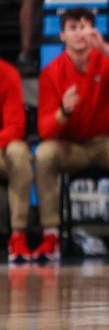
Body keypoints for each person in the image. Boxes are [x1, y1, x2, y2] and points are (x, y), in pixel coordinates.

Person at [34, 8, 109, 261]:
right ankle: (50, 236)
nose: (79, 34)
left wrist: (103, 47)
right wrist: (64, 111)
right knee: (44, 154)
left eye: (84, 27)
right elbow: (44, 130)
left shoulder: (105, 57)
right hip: (73, 147)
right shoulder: (51, 72)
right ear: (62, 35)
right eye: (73, 28)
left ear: (94, 31)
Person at [0, 57, 34, 262]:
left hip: (2, 150)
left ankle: (18, 235)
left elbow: (16, 126)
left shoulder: (7, 73)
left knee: (20, 153)